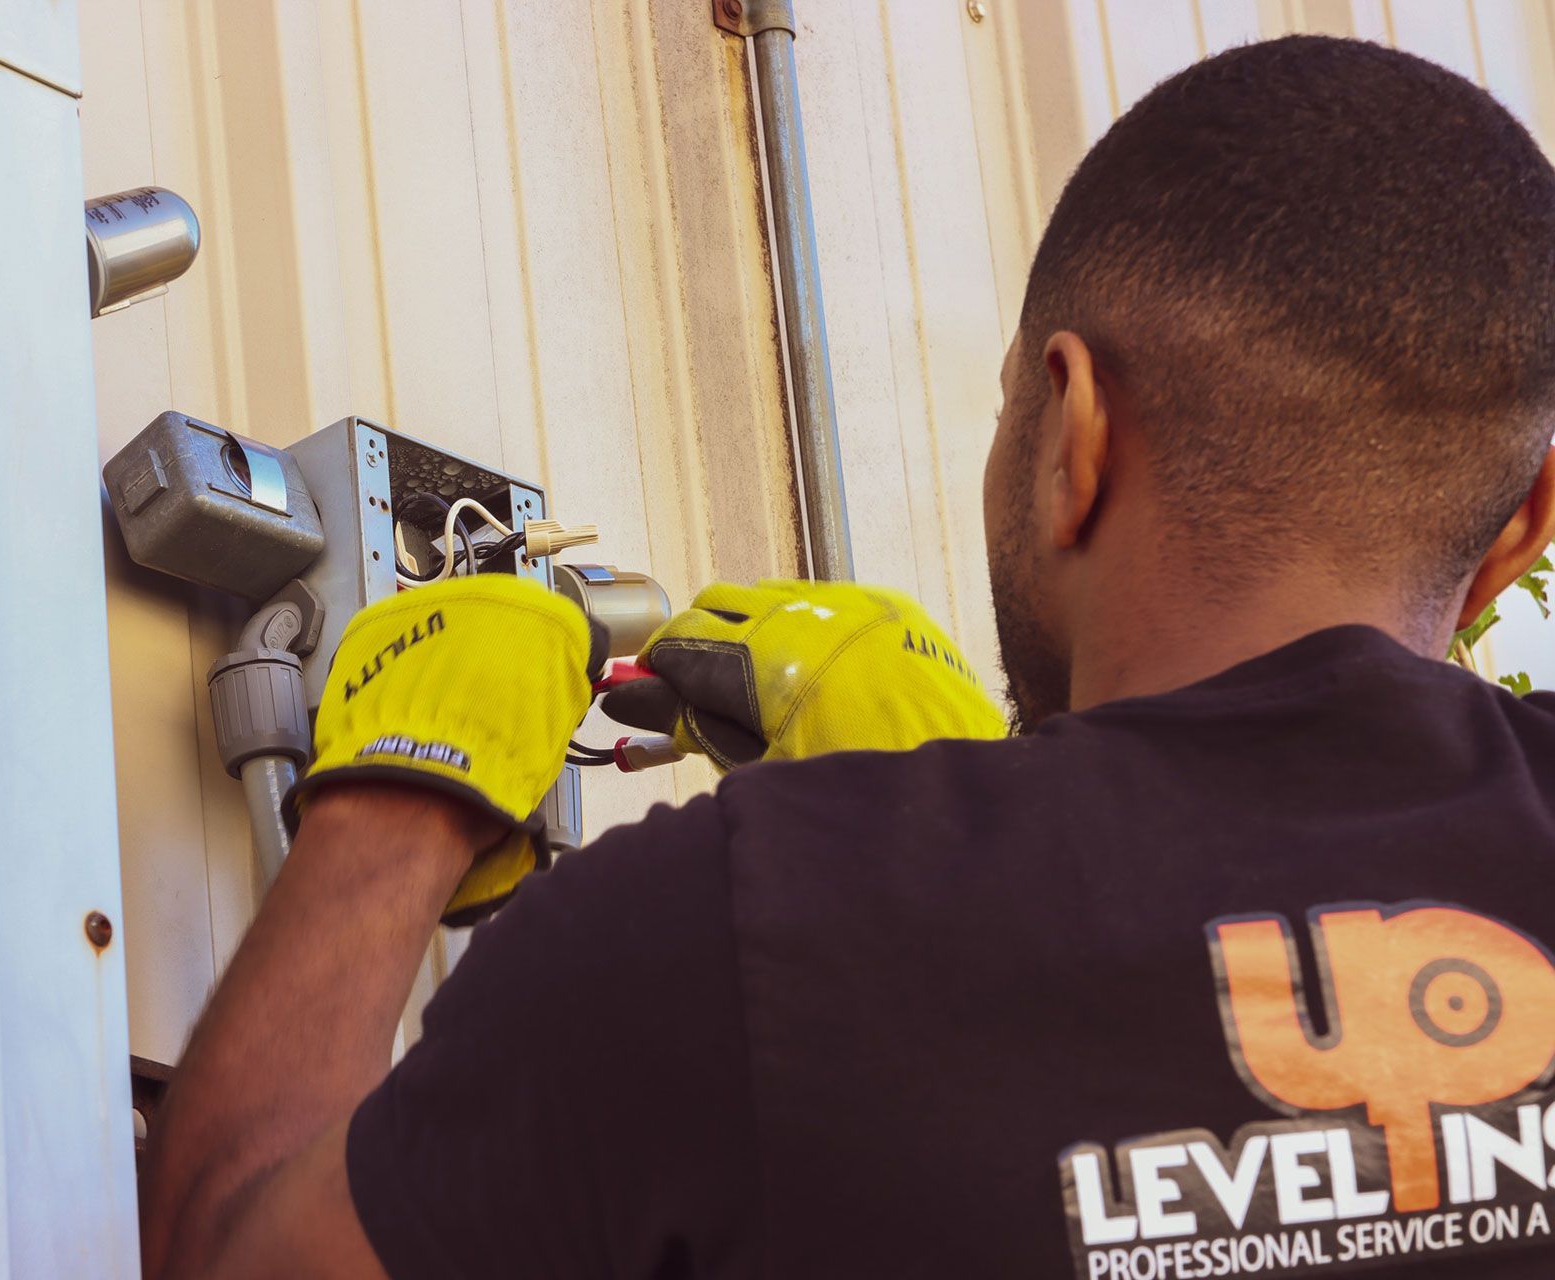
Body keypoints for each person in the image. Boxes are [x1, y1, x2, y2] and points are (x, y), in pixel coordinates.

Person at [138, 35, 1555, 1279]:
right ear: (1525, 525)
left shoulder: (728, 932)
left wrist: (407, 786)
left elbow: (231, 1261)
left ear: (1073, 432)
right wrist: (948, 814)